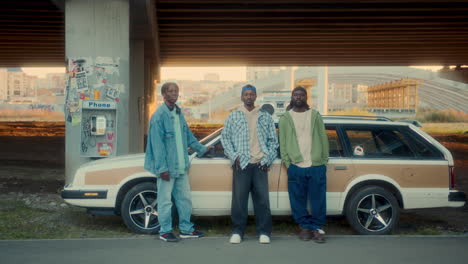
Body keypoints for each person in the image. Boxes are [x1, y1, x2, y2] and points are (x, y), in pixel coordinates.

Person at [144, 82, 211, 242]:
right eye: (171, 91)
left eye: (176, 91)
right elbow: (157, 145)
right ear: (164, 94)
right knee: (165, 201)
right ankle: (165, 231)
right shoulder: (158, 116)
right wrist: (162, 168)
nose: (174, 93)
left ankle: (186, 229)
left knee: (185, 199)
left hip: (181, 166)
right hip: (167, 168)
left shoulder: (178, 112)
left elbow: (188, 136)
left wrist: (202, 149)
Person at [221, 84, 279, 244]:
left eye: (251, 94)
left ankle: (264, 232)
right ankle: (237, 232)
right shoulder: (234, 116)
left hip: (260, 163)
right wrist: (235, 157)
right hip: (242, 164)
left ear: (255, 96)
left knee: (262, 200)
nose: (248, 97)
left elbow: (273, 141)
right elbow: (225, 139)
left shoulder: (265, 116)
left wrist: (267, 159)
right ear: (241, 97)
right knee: (239, 200)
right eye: (245, 94)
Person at [278, 86, 329, 243]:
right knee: (297, 199)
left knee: (318, 199)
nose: (298, 97)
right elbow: (283, 143)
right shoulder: (286, 118)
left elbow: (323, 138)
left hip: (316, 165)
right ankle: (304, 227)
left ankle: (318, 228)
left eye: (301, 95)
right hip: (295, 165)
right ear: (292, 97)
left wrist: (323, 160)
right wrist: (288, 163)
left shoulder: (315, 115)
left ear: (306, 97)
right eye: (296, 95)